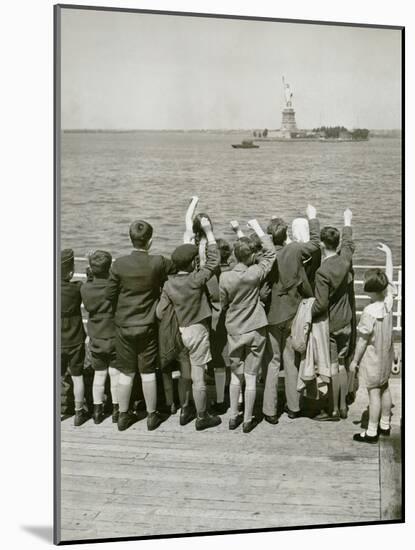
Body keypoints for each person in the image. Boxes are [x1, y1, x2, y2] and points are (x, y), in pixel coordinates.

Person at [105, 220, 174, 431]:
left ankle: (124, 415)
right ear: (150, 241)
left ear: (130, 238)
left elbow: (109, 295)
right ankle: (152, 416)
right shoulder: (158, 262)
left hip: (124, 326)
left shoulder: (118, 264)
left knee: (126, 372)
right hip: (147, 325)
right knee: (147, 372)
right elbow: (179, 263)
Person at [157, 216, 221, 430]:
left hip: (179, 332)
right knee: (198, 375)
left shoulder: (168, 284)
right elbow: (213, 261)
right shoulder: (196, 279)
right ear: (193, 262)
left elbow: (160, 312)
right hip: (197, 330)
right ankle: (203, 416)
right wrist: (209, 232)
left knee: (184, 374)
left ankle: (185, 409)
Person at [262, 205, 320, 424]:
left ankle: (269, 410)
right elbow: (314, 245)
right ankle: (294, 406)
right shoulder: (295, 249)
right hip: (292, 312)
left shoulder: (266, 255)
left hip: (271, 315)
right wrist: (312, 218)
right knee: (291, 360)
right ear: (286, 234)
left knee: (272, 363)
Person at [220, 219, 276, 433]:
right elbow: (270, 254)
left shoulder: (225, 277)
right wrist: (259, 230)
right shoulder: (255, 273)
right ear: (252, 256)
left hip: (235, 329)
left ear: (235, 255)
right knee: (252, 377)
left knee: (236, 375)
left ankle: (234, 415)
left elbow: (223, 302)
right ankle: (248, 420)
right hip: (256, 328)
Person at [311, 208, 355, 421]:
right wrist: (347, 221)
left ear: (321, 244)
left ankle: (334, 410)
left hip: (332, 324)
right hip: (347, 320)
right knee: (343, 361)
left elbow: (320, 305)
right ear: (336, 244)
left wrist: (305, 313)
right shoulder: (345, 260)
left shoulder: (322, 272)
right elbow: (348, 244)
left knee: (334, 366)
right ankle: (345, 406)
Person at [351, 243, 395, 443]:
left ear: (369, 291)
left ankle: (371, 431)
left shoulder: (369, 313)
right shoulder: (388, 302)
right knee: (385, 388)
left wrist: (355, 360)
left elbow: (362, 341)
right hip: (386, 355)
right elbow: (389, 278)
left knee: (374, 394)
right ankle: (385, 424)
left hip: (373, 359)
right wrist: (388, 255)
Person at [80, 250, 120, 424]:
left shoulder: (85, 288)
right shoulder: (113, 287)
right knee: (115, 374)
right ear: (109, 267)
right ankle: (117, 408)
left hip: (96, 335)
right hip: (113, 335)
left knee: (99, 374)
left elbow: (91, 285)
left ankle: (97, 410)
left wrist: (90, 274)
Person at [61, 249, 89, 426]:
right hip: (76, 339)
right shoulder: (77, 287)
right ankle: (79, 413)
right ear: (71, 272)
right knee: (78, 376)